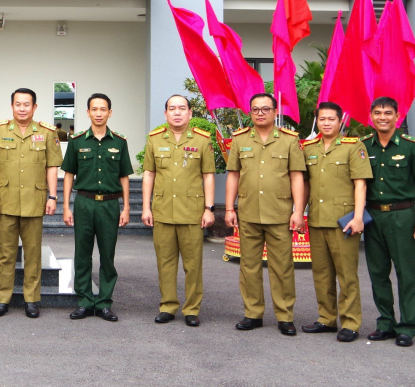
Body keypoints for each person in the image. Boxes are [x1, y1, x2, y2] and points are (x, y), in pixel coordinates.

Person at [224, 92, 306, 336]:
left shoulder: (290, 140)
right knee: (249, 266)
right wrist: (229, 207)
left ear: (275, 111)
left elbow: (296, 176)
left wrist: (298, 211)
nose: (260, 113)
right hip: (248, 213)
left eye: (265, 109)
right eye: (256, 109)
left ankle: (284, 316)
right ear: (250, 113)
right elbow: (234, 175)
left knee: (282, 267)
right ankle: (253, 313)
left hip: (280, 213)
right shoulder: (239, 140)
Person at [0, 88, 63, 319]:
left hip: (34, 202)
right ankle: (3, 299)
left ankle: (31, 300)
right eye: (18, 104)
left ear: (34, 107)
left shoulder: (47, 132)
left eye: (26, 104)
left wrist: (52, 196)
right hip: (6, 202)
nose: (22, 108)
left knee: (33, 254)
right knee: (5, 254)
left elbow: (52, 167)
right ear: (12, 106)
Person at [361, 97, 415, 347]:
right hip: (373, 217)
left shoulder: (412, 146)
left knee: (406, 272)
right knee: (378, 273)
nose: (383, 117)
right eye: (378, 112)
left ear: (397, 116)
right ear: (371, 115)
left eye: (388, 113)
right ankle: (385, 323)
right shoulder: (363, 147)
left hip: (402, 216)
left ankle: (408, 326)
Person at [141, 94, 215, 327]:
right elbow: (149, 174)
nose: (177, 112)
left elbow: (208, 175)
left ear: (190, 113)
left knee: (193, 264)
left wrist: (209, 208)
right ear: (165, 114)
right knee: (165, 262)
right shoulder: (154, 139)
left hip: (192, 212)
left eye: (182, 108)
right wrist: (145, 207)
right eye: (172, 108)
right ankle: (168, 306)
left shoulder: (202, 140)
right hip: (163, 210)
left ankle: (192, 309)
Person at [299, 101, 371, 342]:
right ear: (316, 121)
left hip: (345, 221)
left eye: (331, 119)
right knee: (321, 273)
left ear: (341, 121)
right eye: (322, 119)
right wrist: (299, 212)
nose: (327, 123)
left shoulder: (353, 146)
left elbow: (360, 183)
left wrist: (359, 217)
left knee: (347, 274)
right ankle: (326, 318)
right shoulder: (308, 147)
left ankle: (350, 323)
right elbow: (306, 184)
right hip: (318, 219)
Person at [62, 93, 133, 322]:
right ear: (88, 112)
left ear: (110, 112)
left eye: (103, 109)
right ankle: (84, 302)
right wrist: (66, 206)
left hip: (110, 205)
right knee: (82, 254)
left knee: (107, 256)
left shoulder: (120, 142)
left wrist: (126, 207)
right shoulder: (77, 141)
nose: (99, 113)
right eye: (95, 109)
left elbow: (124, 177)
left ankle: (103, 303)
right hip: (84, 203)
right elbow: (69, 175)